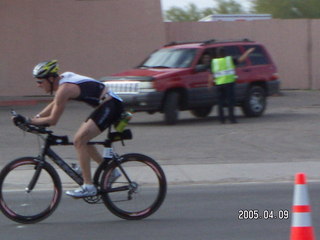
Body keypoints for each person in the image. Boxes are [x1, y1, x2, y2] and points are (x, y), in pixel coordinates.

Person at [29, 60, 123, 197]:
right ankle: (110, 171)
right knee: (82, 140)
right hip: (106, 104)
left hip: (111, 105)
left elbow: (53, 120)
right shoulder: (63, 82)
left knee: (79, 140)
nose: (38, 85)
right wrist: (35, 118)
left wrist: (30, 121)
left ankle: (88, 186)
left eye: (39, 81)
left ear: (50, 78)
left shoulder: (64, 89)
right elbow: (55, 103)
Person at [208, 47, 255, 123]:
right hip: (229, 84)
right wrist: (247, 52)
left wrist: (209, 84)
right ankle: (232, 119)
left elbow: (211, 74)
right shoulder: (229, 60)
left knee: (220, 103)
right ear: (225, 53)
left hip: (219, 84)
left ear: (218, 54)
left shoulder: (214, 62)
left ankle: (221, 120)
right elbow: (241, 60)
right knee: (231, 102)